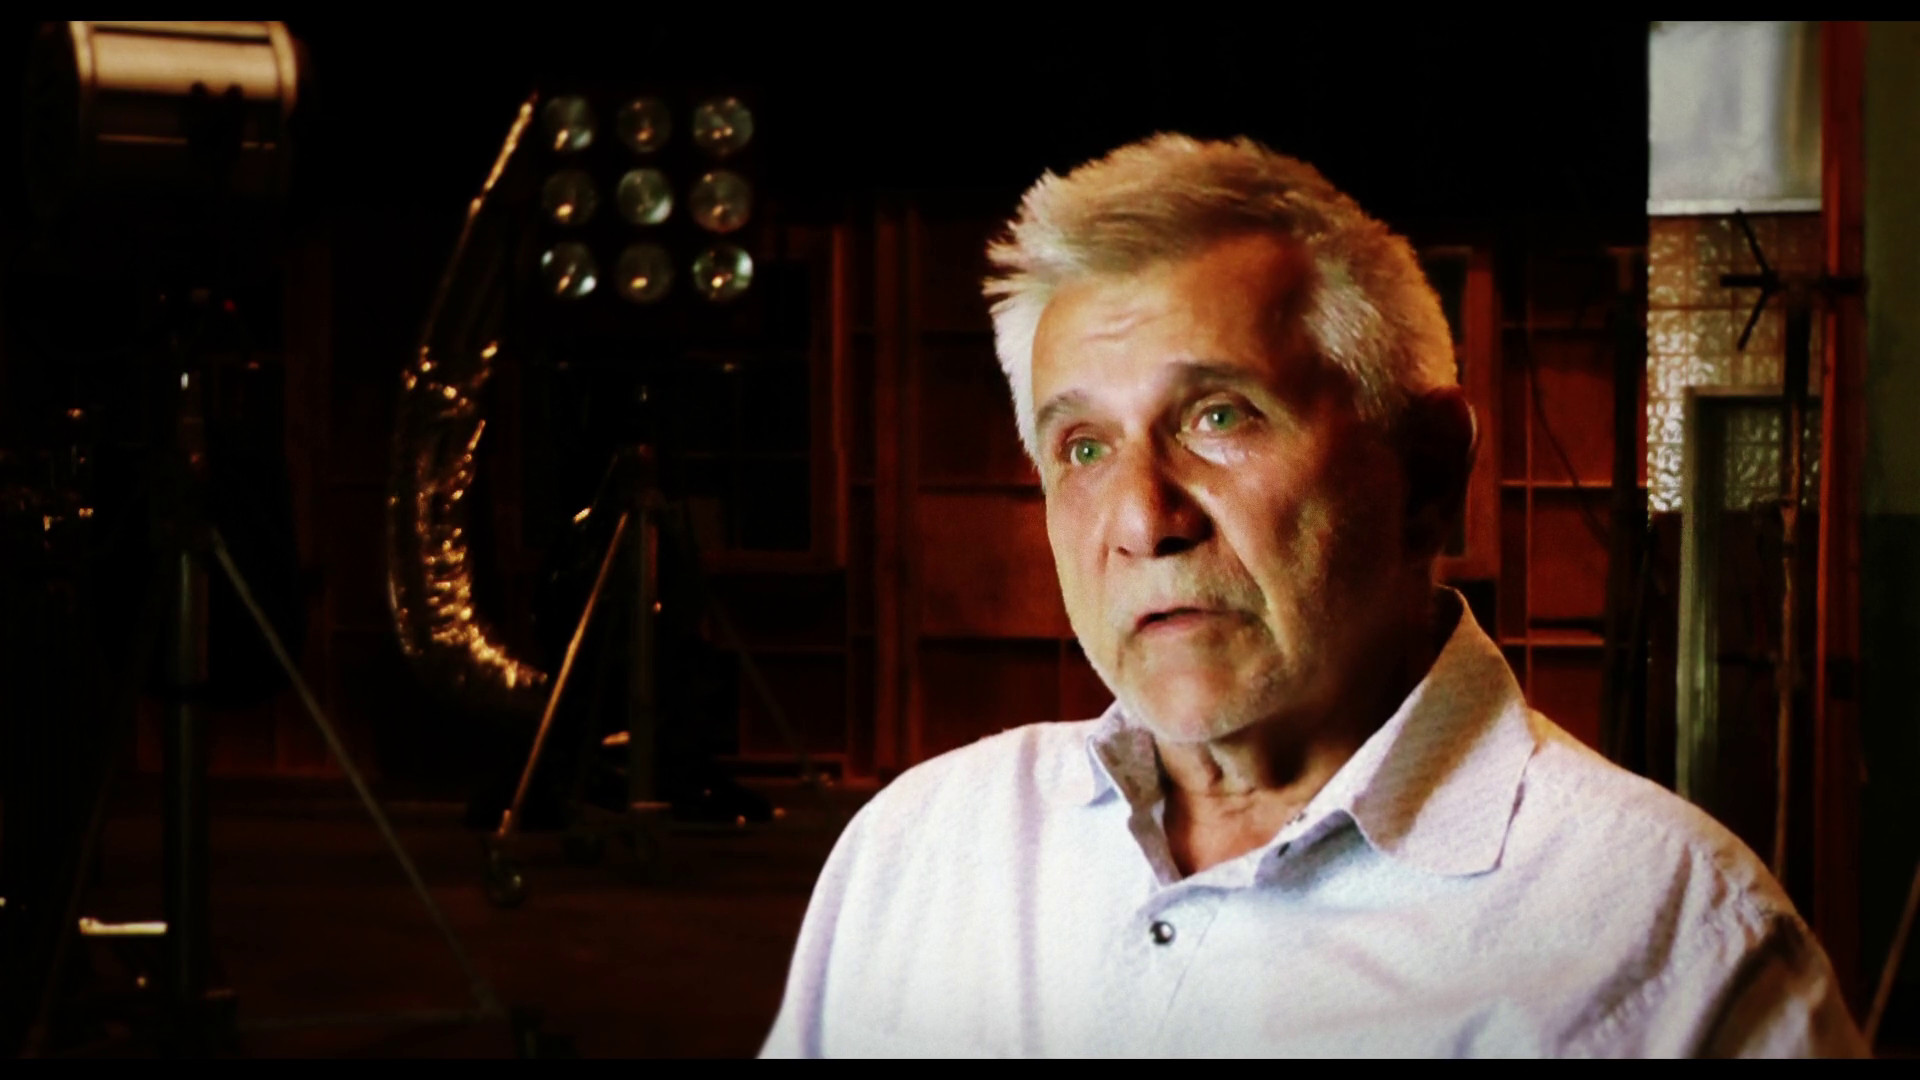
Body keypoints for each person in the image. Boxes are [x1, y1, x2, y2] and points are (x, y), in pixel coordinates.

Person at [760, 135, 1866, 1057]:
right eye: (1084, 446)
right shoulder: (922, 850)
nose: (1144, 519)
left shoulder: (1674, 945)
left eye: (1219, 417)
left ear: (1427, 475)